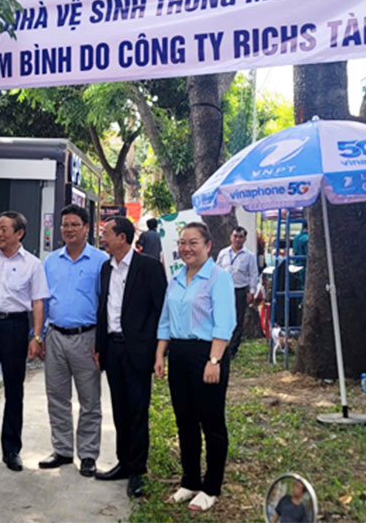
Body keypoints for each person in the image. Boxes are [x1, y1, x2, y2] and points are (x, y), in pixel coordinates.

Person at [155, 222, 236, 513]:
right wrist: (160, 354)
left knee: (211, 423)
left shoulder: (218, 278)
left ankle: (211, 487)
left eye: (193, 243)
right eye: (182, 243)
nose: (186, 248)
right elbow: (165, 320)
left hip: (207, 353)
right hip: (179, 354)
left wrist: (214, 360)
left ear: (208, 246)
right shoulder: (176, 278)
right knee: (185, 420)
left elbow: (225, 323)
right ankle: (189, 480)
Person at [0, 211, 50, 472]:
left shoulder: (33, 264)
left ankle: (12, 450)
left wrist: (36, 336)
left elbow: (38, 302)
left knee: (14, 390)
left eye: (4, 229)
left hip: (15, 326)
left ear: (19, 233)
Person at [95, 216, 167, 498]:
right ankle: (123, 462)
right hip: (112, 348)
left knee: (137, 410)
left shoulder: (148, 267)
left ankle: (137, 470)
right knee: (120, 408)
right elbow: (104, 307)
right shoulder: (106, 268)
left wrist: (158, 350)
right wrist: (99, 345)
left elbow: (161, 310)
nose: (103, 238)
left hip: (138, 349)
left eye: (107, 234)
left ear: (122, 238)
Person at [39, 204, 109, 477]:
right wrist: (39, 335)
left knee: (89, 400)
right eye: (65, 225)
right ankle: (62, 450)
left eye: (74, 225)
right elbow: (44, 301)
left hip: (86, 337)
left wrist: (100, 343)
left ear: (86, 228)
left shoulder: (101, 261)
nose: (68, 230)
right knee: (57, 397)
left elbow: (105, 303)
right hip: (55, 336)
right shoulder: (51, 261)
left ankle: (88, 454)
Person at [215, 226, 259, 356]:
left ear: (244, 239)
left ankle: (232, 349)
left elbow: (253, 274)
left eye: (241, 237)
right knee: (223, 318)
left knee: (238, 320)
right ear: (231, 237)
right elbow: (217, 270)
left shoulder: (249, 256)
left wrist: (252, 292)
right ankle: (221, 345)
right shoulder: (223, 253)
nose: (237, 239)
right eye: (235, 236)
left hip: (240, 290)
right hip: (224, 290)